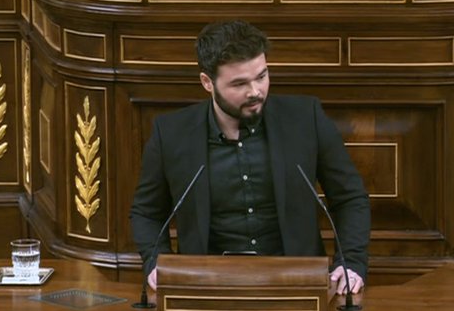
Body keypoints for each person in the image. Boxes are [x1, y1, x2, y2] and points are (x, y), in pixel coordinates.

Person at [129, 20, 371, 295]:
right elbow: (146, 213)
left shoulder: (306, 119)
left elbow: (350, 198)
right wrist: (156, 262)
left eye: (262, 76)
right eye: (240, 83)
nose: (256, 91)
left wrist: (350, 261)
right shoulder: (171, 134)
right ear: (207, 83)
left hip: (296, 286)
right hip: (206, 288)